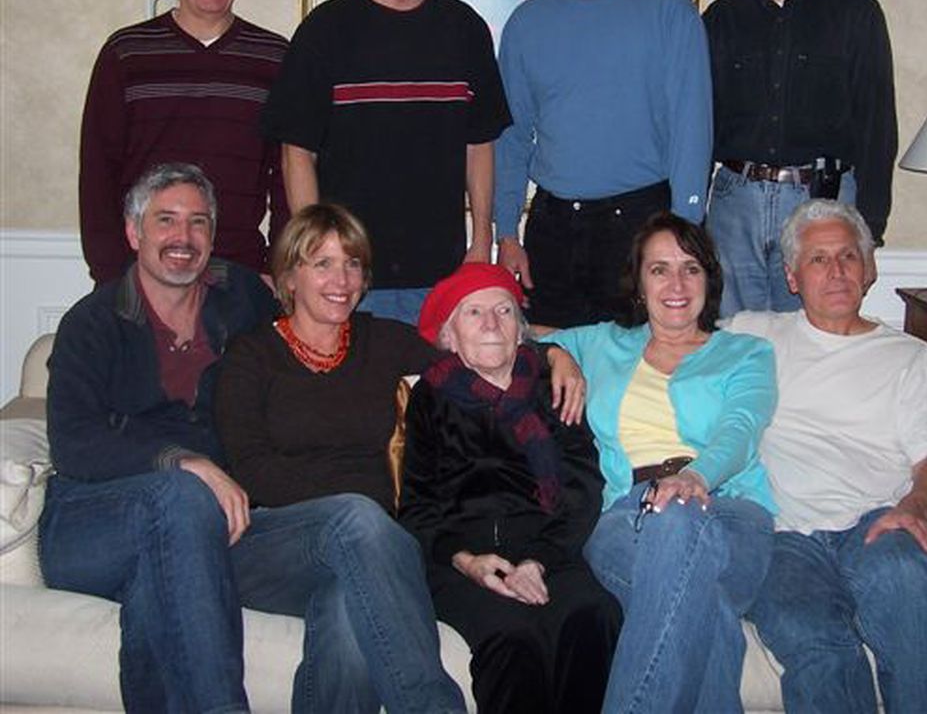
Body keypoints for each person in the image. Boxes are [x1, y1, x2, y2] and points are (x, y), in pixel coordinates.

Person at [39, 162, 277, 713]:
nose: (183, 238)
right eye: (165, 220)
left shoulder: (241, 297)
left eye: (198, 223)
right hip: (86, 521)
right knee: (182, 499)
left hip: (197, 524)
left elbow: (297, 359)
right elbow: (73, 443)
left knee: (164, 569)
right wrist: (182, 462)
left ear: (213, 236)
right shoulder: (91, 324)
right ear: (133, 232)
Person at [212, 203, 467, 712]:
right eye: (322, 263)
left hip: (367, 547)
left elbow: (474, 374)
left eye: (352, 264)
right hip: (270, 541)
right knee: (357, 519)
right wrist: (352, 515)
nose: (341, 278)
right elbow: (250, 467)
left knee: (348, 611)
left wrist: (552, 355)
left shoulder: (383, 340)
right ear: (289, 276)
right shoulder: (251, 356)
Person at [728, 199, 927, 714]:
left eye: (848, 257)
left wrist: (916, 508)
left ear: (868, 268)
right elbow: (660, 340)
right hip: (784, 537)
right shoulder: (753, 335)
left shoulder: (908, 356)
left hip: (876, 523)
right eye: (817, 259)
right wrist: (558, 348)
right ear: (792, 276)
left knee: (904, 579)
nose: (835, 272)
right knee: (811, 636)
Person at [548, 212, 777, 712]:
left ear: (708, 280)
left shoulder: (747, 353)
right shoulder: (604, 342)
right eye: (659, 269)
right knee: (701, 604)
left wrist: (693, 477)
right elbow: (524, 337)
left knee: (677, 527)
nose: (676, 283)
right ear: (639, 283)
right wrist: (555, 357)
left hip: (728, 507)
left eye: (690, 268)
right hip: (622, 518)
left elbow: (740, 429)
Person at [263, 0, 510, 324]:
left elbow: (481, 146)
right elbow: (296, 152)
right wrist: (318, 254)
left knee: (433, 395)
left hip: (443, 273)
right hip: (350, 278)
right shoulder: (324, 31)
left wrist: (480, 245)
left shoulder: (464, 29)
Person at [495, 0, 713, 328]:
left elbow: (692, 127)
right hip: (552, 229)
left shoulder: (669, 11)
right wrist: (507, 232)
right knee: (556, 370)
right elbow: (512, 138)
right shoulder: (526, 24)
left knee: (643, 371)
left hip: (643, 222)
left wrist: (683, 233)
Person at [400, 263, 622, 713]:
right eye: (474, 313)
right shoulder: (432, 397)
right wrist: (468, 562)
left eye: (503, 310)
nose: (490, 323)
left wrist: (539, 560)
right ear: (450, 336)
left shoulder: (553, 387)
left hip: (551, 554)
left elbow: (582, 487)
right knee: (512, 636)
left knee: (593, 615)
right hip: (463, 561)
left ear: (521, 331)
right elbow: (419, 507)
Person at [704, 0, 897, 316]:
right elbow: (700, 126)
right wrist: (690, 219)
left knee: (815, 340)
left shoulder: (857, 14)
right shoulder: (721, 18)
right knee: (738, 339)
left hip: (824, 200)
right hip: (736, 201)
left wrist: (868, 231)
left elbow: (877, 126)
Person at [79, 0, 289, 284]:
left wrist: (278, 268)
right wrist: (111, 273)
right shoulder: (126, 54)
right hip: (142, 272)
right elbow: (98, 173)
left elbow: (287, 176)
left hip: (241, 274)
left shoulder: (275, 58)